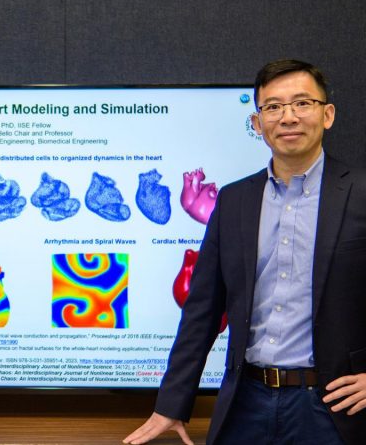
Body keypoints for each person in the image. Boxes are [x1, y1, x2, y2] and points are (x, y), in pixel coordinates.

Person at [124, 59, 366, 445]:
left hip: (331, 409)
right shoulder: (234, 201)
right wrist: (172, 402)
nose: (288, 117)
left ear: (328, 115)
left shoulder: (359, 192)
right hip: (245, 403)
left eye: (302, 103)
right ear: (257, 124)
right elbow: (202, 310)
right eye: (273, 107)